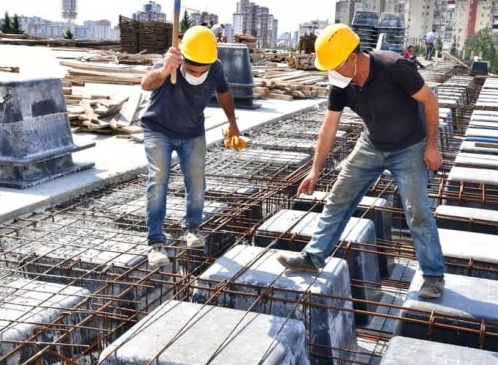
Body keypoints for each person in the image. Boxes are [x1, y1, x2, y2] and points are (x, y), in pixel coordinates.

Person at [276, 24, 446, 299]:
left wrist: (431, 146)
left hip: (409, 147)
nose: (331, 73)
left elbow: (430, 101)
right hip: (371, 144)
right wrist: (314, 171)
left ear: (352, 58)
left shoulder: (395, 68)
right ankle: (313, 256)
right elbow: (329, 127)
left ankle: (433, 276)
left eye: (335, 66)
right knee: (339, 198)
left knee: (417, 211)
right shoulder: (341, 82)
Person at [140, 25, 241, 268]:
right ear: (183, 58)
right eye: (191, 69)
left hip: (192, 132)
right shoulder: (171, 62)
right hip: (158, 129)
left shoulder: (215, 68)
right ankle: (155, 242)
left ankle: (192, 228)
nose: (196, 74)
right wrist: (165, 70)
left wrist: (233, 124)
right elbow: (146, 83)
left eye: (201, 70)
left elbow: (224, 94)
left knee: (196, 179)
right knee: (159, 178)